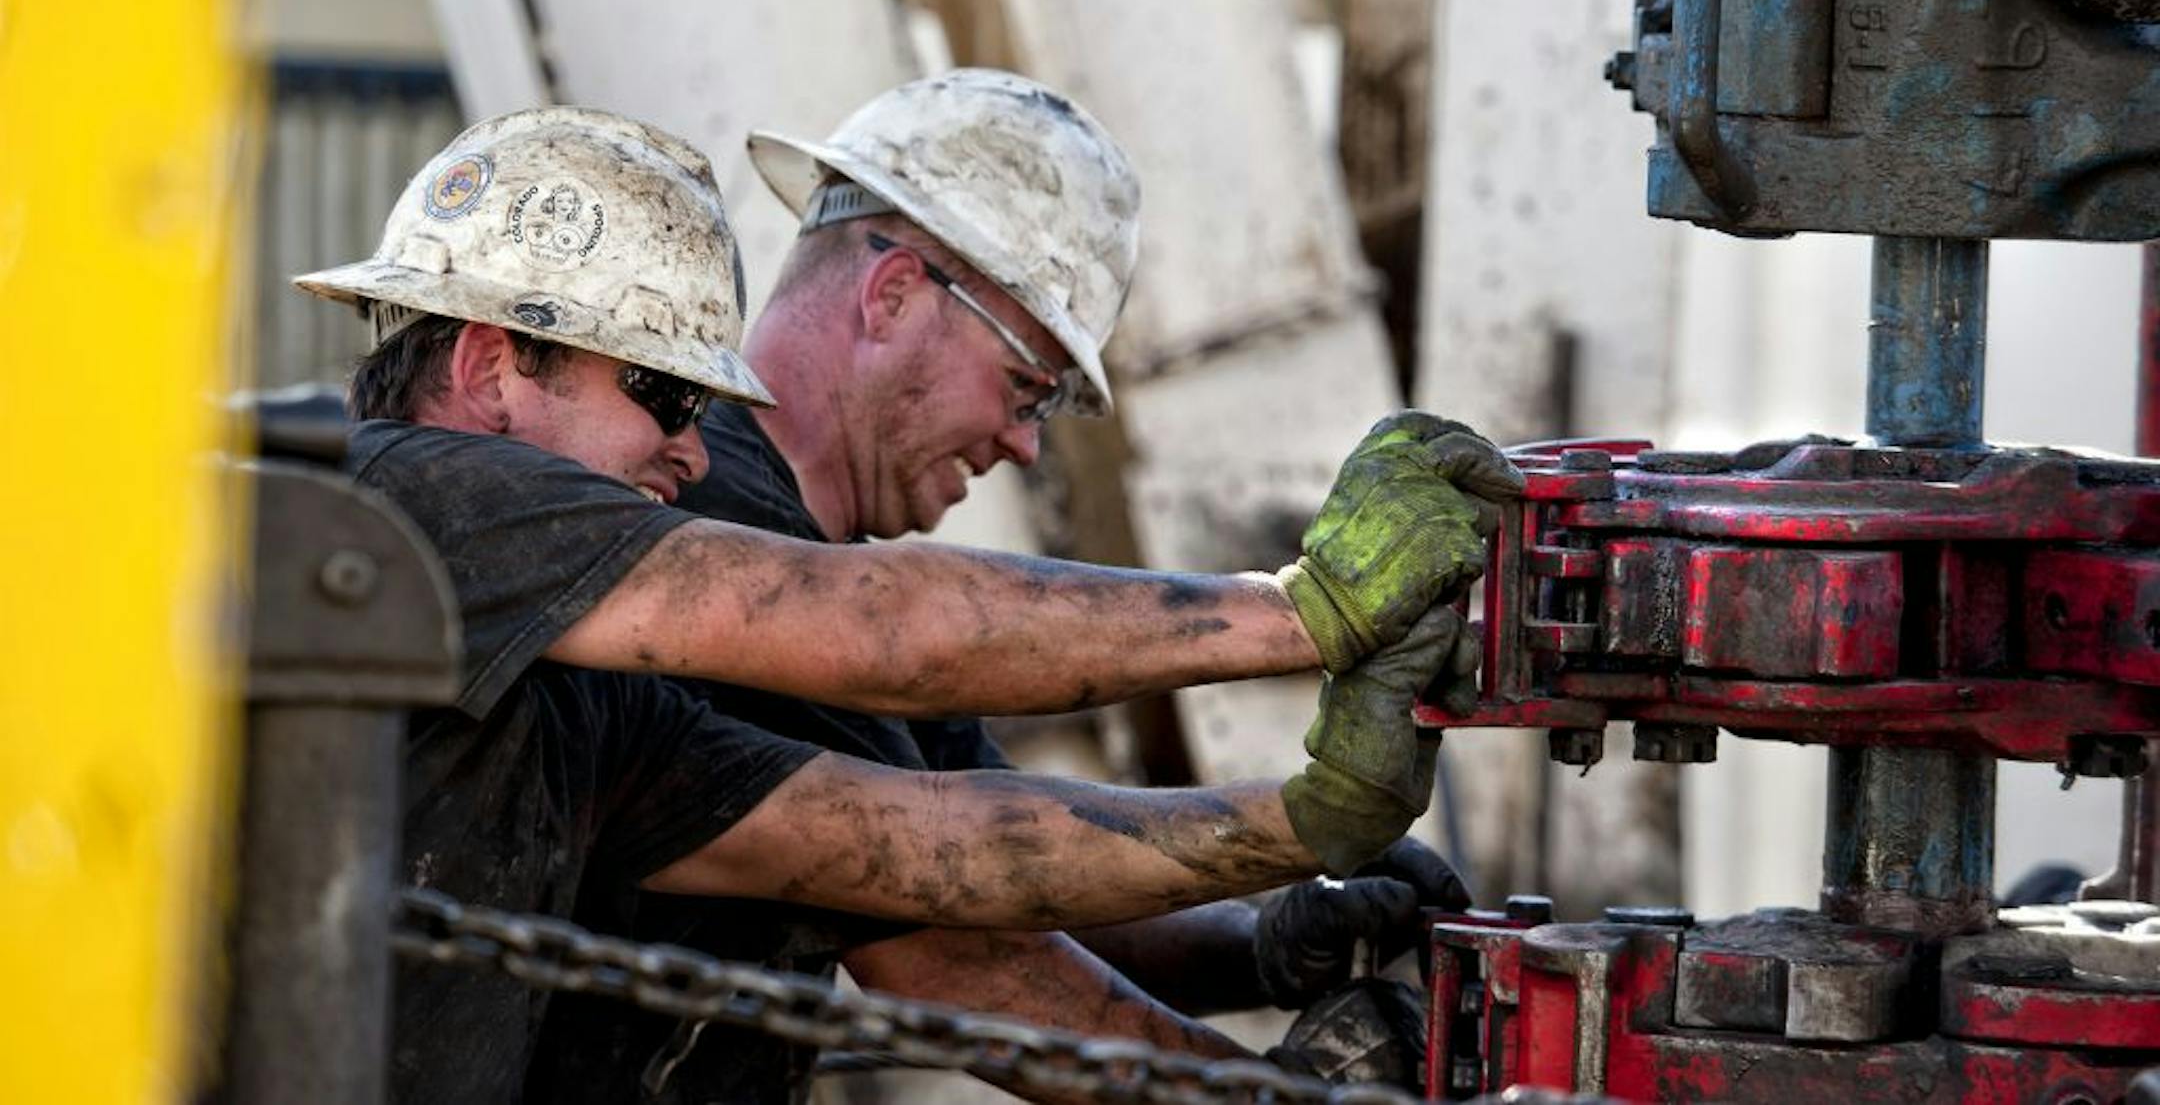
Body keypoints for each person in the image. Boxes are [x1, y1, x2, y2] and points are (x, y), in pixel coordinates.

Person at [294, 105, 1521, 1104]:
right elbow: (882, 659)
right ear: (493, 362)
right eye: (664, 400)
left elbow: (939, 848)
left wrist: (1297, 839)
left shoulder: (583, 697)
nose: (691, 450)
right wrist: (1300, 614)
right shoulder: (410, 494)